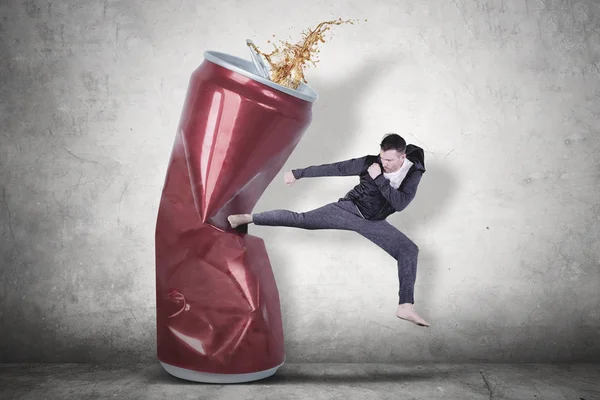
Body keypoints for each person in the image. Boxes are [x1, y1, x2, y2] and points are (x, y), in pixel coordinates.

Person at [227, 133, 430, 327]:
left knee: (409, 250)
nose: (383, 163)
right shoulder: (370, 162)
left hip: (374, 222)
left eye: (389, 161)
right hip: (349, 209)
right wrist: (298, 174)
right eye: (382, 157)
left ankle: (405, 306)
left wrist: (379, 179)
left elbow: (400, 202)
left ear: (402, 157)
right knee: (302, 220)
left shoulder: (413, 172)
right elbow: (337, 168)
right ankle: (248, 218)